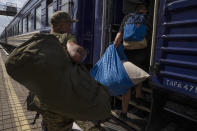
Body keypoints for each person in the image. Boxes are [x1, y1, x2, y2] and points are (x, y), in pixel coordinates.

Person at [114, 4, 148, 119]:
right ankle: (138, 95)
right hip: (142, 51)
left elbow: (119, 35)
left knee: (127, 82)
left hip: (128, 52)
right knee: (139, 74)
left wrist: (113, 47)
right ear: (143, 10)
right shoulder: (146, 19)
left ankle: (124, 113)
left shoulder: (128, 17)